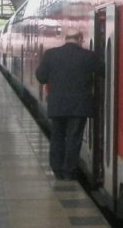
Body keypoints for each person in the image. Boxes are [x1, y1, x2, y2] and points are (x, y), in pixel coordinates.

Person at [34, 29, 102, 180]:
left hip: (57, 104)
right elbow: (102, 72)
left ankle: (57, 169)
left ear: (66, 39)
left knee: (57, 136)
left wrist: (55, 81)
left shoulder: (51, 54)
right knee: (74, 138)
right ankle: (69, 171)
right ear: (80, 39)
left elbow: (41, 76)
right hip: (79, 106)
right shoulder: (88, 56)